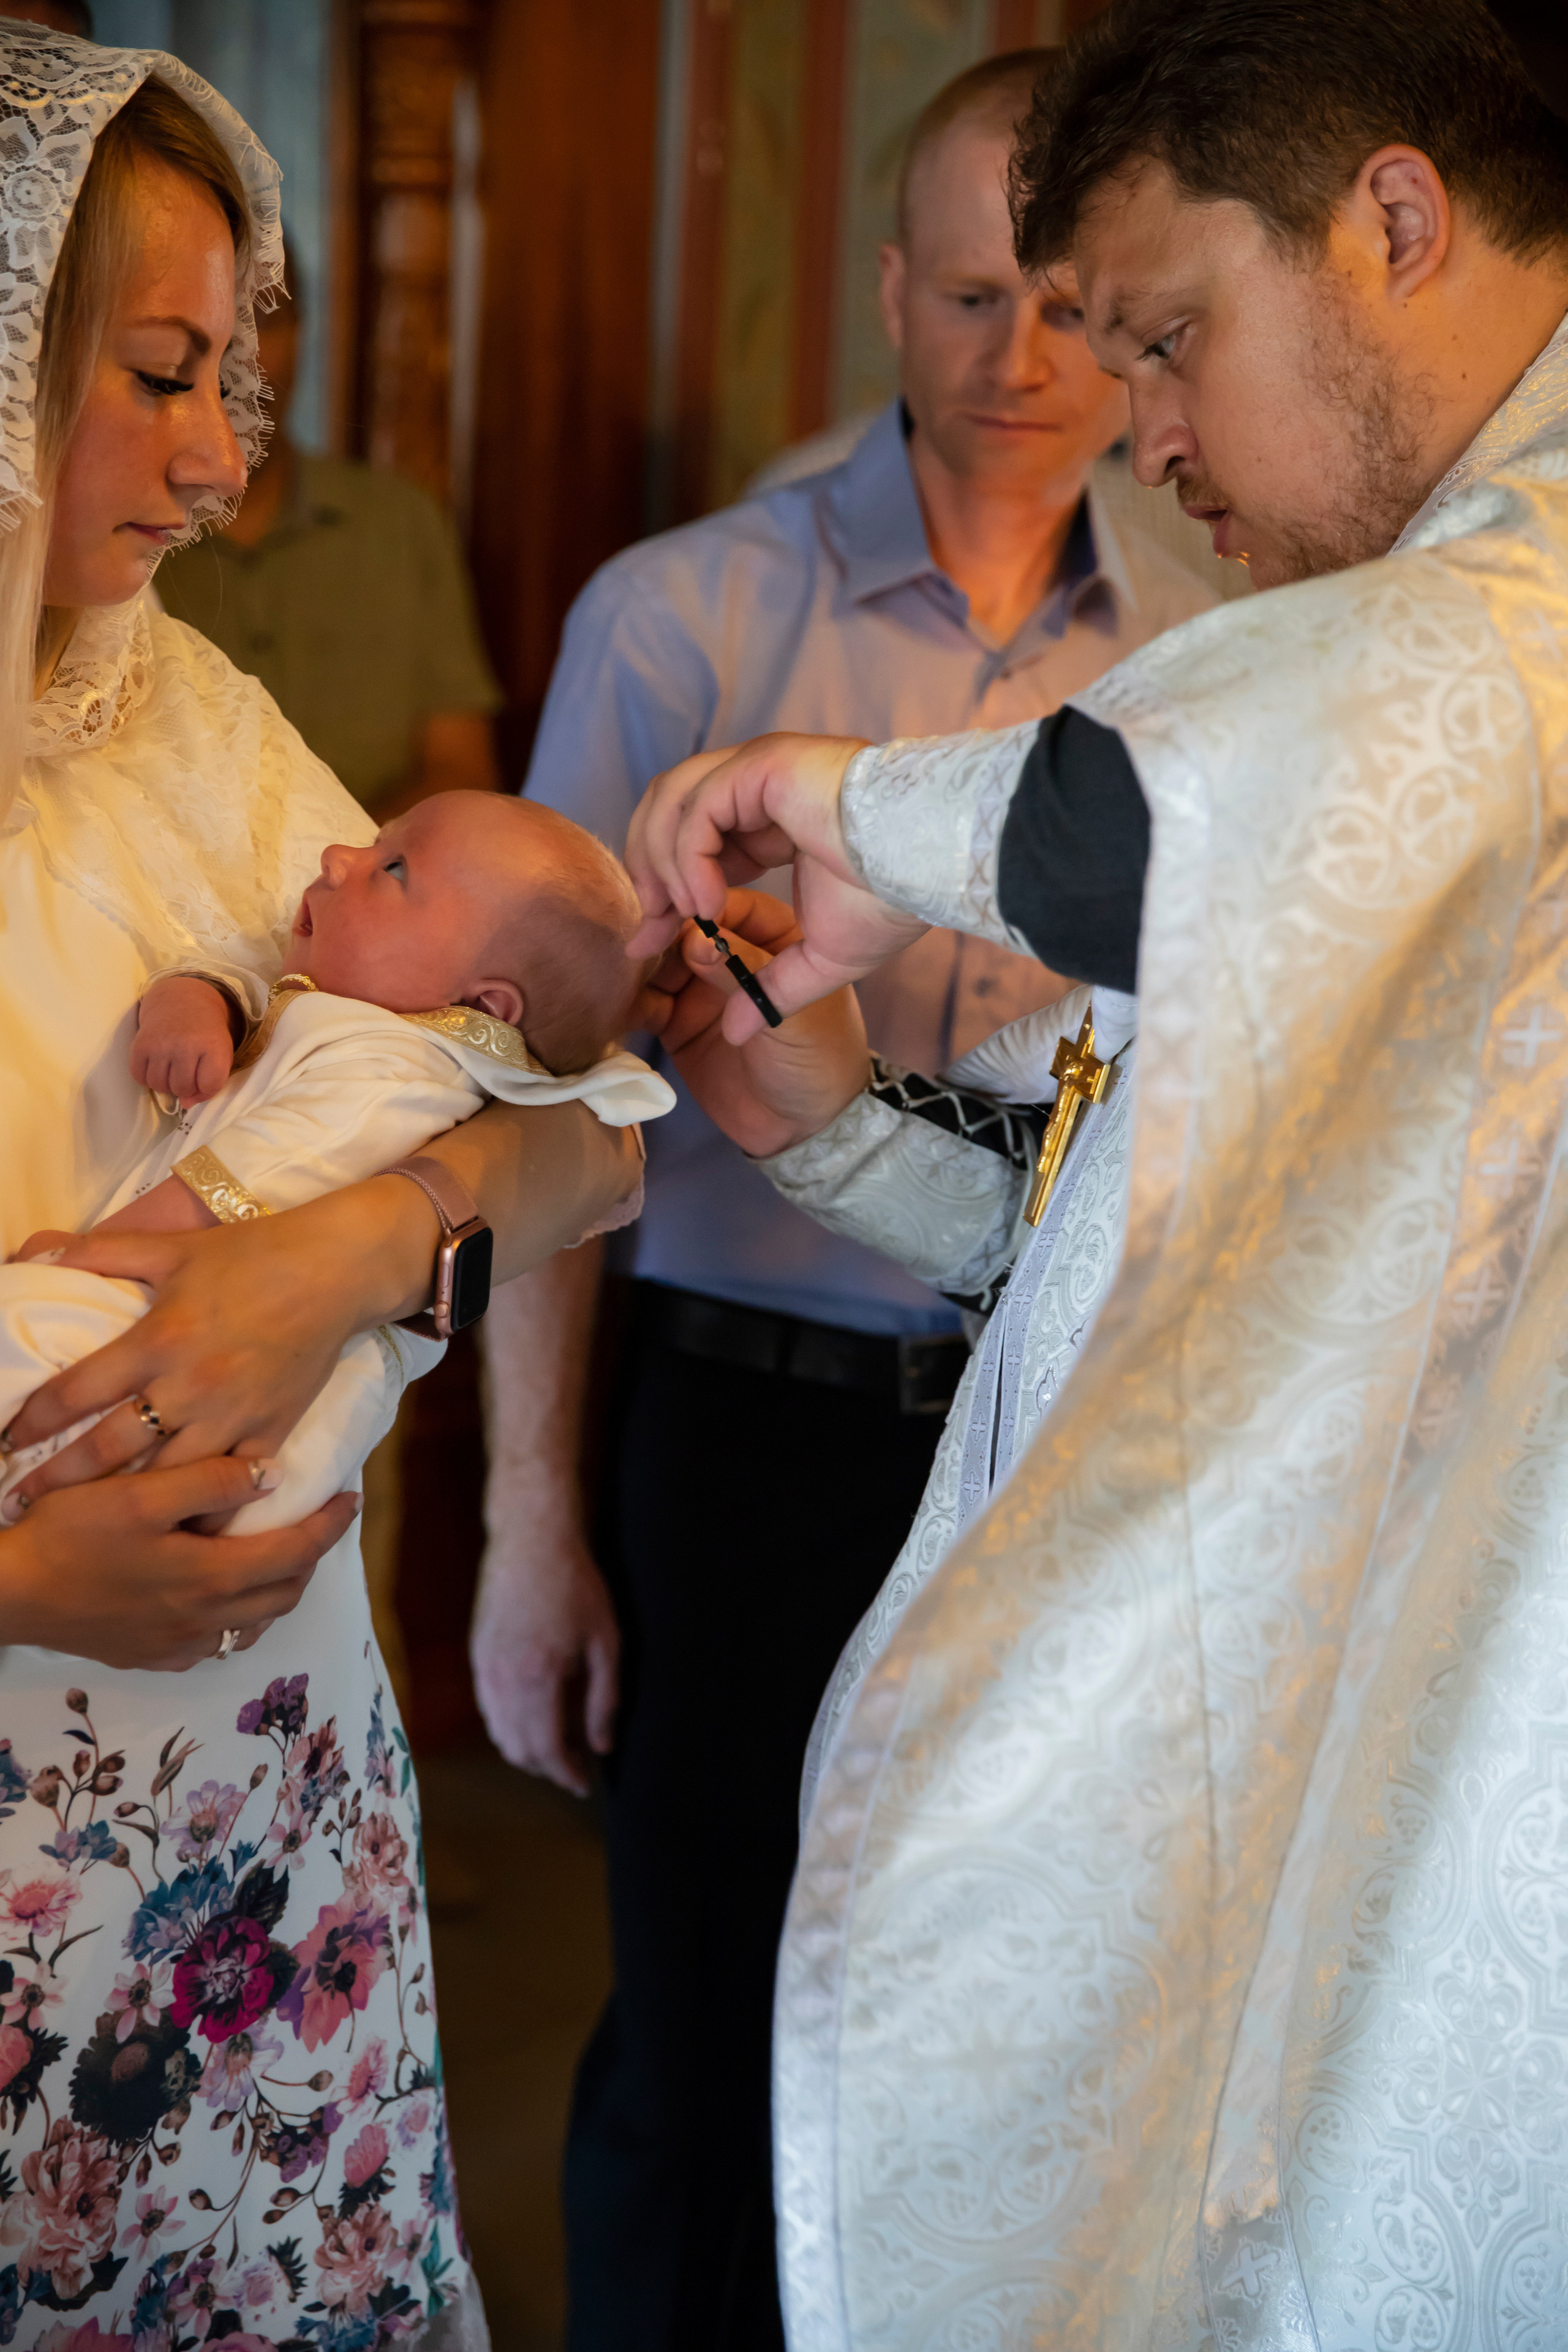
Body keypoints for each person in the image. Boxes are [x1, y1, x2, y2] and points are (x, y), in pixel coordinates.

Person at [624, 1, 1568, 2342]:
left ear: (1387, 222)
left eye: (1166, 333)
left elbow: (1229, 789)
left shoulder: (1504, 606)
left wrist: (845, 818)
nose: (1141, 425)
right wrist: (835, 1130)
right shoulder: (1393, 640)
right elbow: (1186, 1222)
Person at [473, 47, 1217, 2351]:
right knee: (701, 2046)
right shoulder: (680, 621)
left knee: (991, 2043)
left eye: (1074, 309)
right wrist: (527, 1524)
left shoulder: (1196, 671)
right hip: (744, 1426)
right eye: (974, 296)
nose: (1024, 361)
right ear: (885, 295)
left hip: (1050, 1447)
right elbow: (545, 1107)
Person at [0, 25, 638, 2349]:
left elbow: (573, 1131)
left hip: (265, 1826)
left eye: (237, 374)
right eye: (156, 373)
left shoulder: (179, 714)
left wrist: (354, 1248)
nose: (222, 456)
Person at [156, 246, 502, 818]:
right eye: (200, 330)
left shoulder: (398, 523)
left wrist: (345, 870)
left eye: (259, 321)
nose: (232, 358)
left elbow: (463, 771)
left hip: (371, 884)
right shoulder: (118, 538)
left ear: (302, 332)